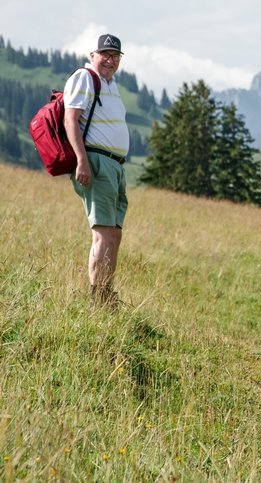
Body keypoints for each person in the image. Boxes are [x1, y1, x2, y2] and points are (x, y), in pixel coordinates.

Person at [64, 34, 129, 306]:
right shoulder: (85, 77)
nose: (110, 60)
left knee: (114, 233)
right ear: (93, 55)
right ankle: (97, 297)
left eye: (115, 56)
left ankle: (106, 293)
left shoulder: (110, 84)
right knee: (103, 231)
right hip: (97, 162)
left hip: (114, 166)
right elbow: (71, 119)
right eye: (105, 54)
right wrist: (82, 160)